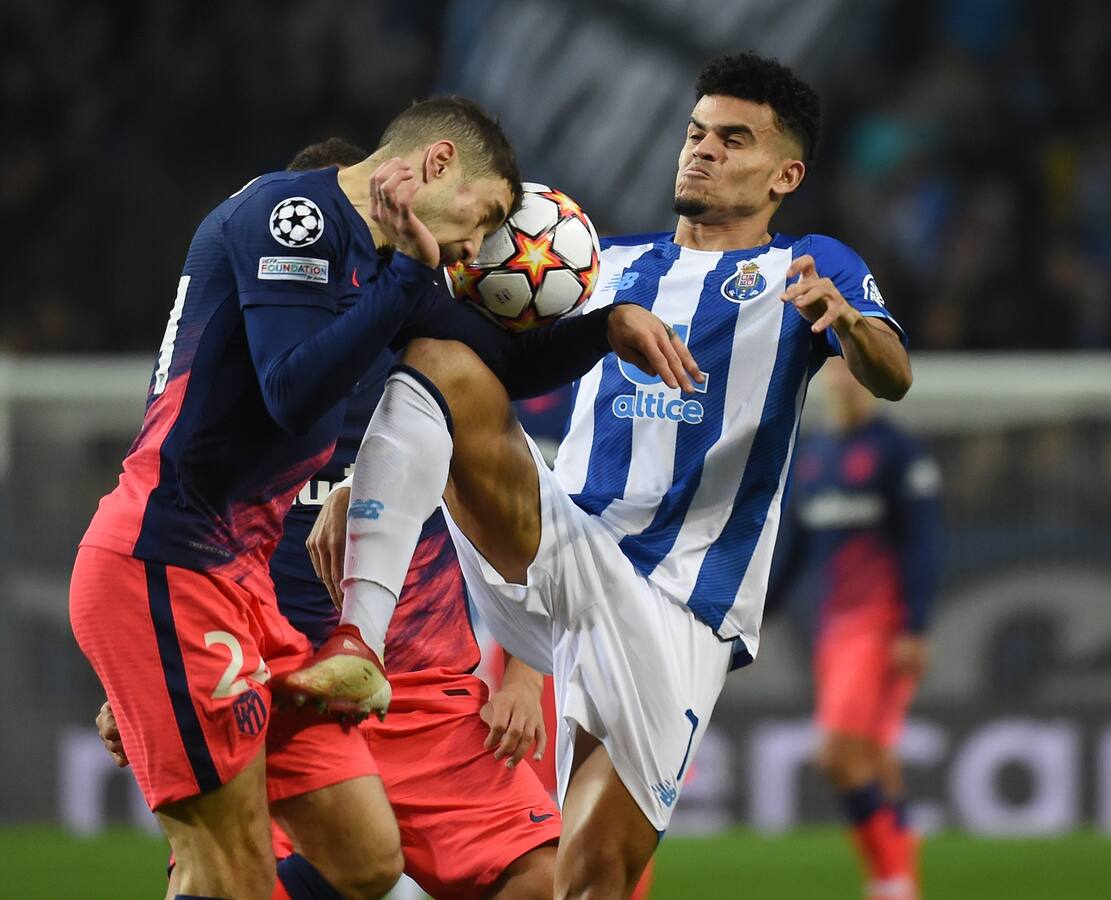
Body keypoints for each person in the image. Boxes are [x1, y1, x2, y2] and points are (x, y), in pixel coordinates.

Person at [283, 52, 912, 898]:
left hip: (680, 602)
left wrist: (849, 328)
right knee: (440, 356)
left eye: (734, 140)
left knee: (588, 877)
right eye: (697, 134)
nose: (704, 152)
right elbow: (481, 379)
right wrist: (367, 473)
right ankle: (362, 638)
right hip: (567, 543)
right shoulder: (590, 264)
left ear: (785, 173)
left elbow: (893, 373)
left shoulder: (808, 267)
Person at [70, 94, 692, 900]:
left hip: (248, 591)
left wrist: (606, 329)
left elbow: (495, 361)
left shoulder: (382, 266)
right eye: (490, 212)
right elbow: (291, 393)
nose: (484, 244)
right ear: (438, 165)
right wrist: (404, 280)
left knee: (368, 860)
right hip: (172, 559)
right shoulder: (291, 213)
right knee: (235, 874)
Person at [772, 357, 941, 900]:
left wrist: (915, 626)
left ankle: (891, 878)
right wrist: (753, 613)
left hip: (882, 625)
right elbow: (794, 552)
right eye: (837, 371)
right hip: (833, 627)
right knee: (873, 758)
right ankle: (896, 878)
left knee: (838, 755)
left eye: (854, 372)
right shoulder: (815, 456)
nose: (845, 381)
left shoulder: (897, 452)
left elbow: (923, 545)